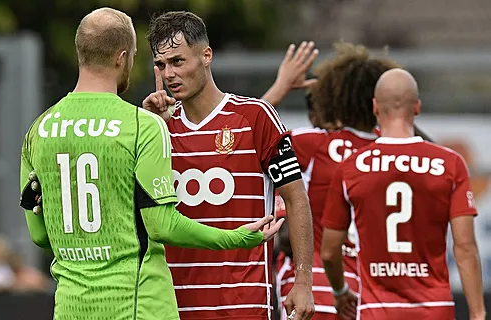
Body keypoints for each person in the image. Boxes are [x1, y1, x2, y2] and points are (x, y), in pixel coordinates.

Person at [20, 8, 283, 320]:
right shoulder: (140, 125)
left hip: (71, 307)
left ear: (81, 54)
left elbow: (40, 235)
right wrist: (235, 237)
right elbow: (162, 225)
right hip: (137, 305)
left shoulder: (39, 130)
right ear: (122, 57)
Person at [143, 11, 315, 320]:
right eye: (161, 64)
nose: (168, 74)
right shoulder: (155, 128)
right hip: (172, 305)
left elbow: (295, 197)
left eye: (178, 61)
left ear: (206, 55)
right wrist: (151, 129)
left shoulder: (256, 117)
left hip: (242, 304)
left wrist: (303, 280)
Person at [320, 69, 486, 320]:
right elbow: (465, 247)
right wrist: (478, 313)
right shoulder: (450, 164)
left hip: (376, 311)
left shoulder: (351, 167)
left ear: (375, 107)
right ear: (417, 107)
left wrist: (340, 290)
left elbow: (330, 252)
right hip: (434, 309)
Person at [263, 42, 400, 319]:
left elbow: (247, 135)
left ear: (333, 98)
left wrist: (281, 86)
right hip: (374, 298)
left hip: (316, 291)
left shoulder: (315, 144)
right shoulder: (395, 153)